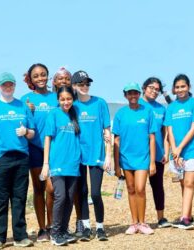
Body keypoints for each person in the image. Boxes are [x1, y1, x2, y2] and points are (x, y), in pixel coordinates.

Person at [0, 72, 35, 249]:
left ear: (14, 86)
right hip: (0, 159)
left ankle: (20, 236)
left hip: (21, 157)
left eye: (10, 84)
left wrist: (26, 131)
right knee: (0, 199)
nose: (8, 87)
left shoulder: (23, 106)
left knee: (19, 199)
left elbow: (33, 132)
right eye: (4, 85)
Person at [72, 70, 111, 241]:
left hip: (97, 153)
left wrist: (108, 157)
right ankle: (87, 227)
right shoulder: (71, 105)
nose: (85, 86)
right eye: (81, 84)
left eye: (87, 83)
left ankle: (100, 228)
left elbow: (107, 131)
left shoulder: (100, 103)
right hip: (78, 154)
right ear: (74, 86)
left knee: (95, 193)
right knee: (82, 191)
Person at [113, 82, 156, 235]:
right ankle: (134, 223)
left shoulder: (148, 111)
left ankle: (143, 223)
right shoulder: (120, 114)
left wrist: (152, 162)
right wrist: (117, 165)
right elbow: (116, 140)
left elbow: (152, 137)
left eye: (135, 93)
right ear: (125, 95)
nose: (132, 96)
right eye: (129, 93)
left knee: (140, 189)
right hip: (125, 158)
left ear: (139, 94)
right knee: (131, 189)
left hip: (143, 157)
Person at [20, 63, 56, 242]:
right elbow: (21, 125)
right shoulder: (25, 100)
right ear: (31, 79)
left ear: (48, 76)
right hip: (34, 148)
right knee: (38, 188)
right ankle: (42, 229)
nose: (40, 78)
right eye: (36, 76)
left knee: (51, 188)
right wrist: (29, 111)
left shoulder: (56, 97)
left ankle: (52, 225)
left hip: (54, 149)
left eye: (43, 75)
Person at [41, 86, 81, 246]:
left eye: (69, 99)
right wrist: (46, 164)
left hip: (73, 163)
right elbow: (47, 139)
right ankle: (55, 232)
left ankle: (64, 231)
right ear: (58, 100)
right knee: (61, 196)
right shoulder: (53, 114)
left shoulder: (75, 114)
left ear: (73, 99)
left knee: (70, 198)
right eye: (63, 99)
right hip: (57, 163)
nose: (66, 102)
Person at [164, 74, 194, 230]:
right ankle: (187, 214)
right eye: (177, 87)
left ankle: (185, 219)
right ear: (174, 89)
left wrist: (180, 148)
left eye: (183, 86)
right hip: (177, 152)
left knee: (189, 183)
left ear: (189, 87)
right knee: (183, 184)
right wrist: (175, 150)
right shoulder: (171, 107)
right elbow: (170, 130)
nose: (180, 89)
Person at [139, 77, 171, 228]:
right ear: (144, 88)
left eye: (157, 89)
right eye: (151, 88)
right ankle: (141, 220)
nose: (154, 91)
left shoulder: (161, 109)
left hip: (157, 153)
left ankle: (161, 218)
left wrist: (166, 151)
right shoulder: (136, 106)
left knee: (157, 186)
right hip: (139, 155)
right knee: (139, 188)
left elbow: (165, 132)